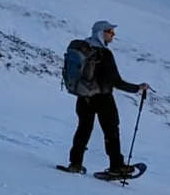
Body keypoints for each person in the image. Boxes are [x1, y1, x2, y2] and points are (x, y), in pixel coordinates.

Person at [60, 21, 151, 176]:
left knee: (83, 129)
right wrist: (137, 88)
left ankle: (75, 163)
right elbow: (116, 82)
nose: (113, 35)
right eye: (110, 31)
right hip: (103, 98)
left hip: (84, 96)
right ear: (101, 33)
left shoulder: (84, 49)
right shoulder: (104, 54)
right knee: (111, 131)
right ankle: (117, 166)